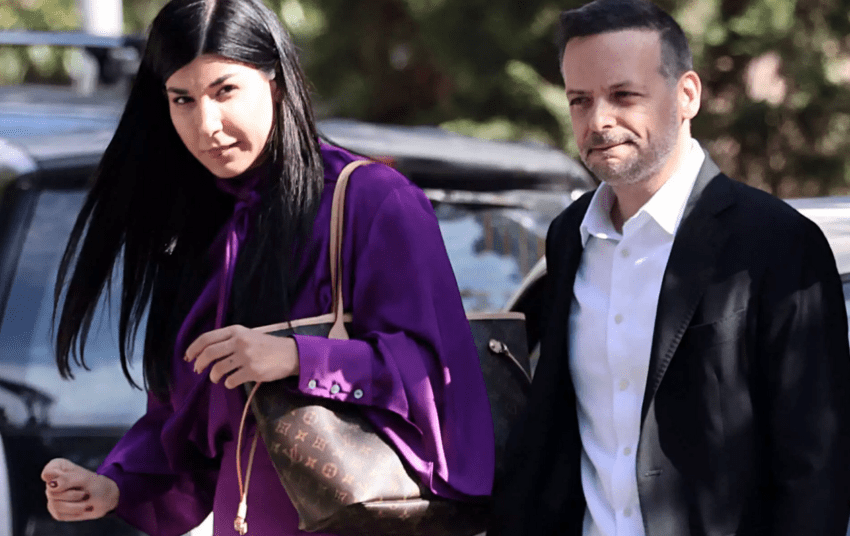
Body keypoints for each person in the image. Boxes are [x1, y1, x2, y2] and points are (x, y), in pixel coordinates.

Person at [39, 0, 494, 534]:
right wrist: (114, 485)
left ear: (275, 82)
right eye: (182, 99)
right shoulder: (199, 225)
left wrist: (299, 357)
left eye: (225, 91)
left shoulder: (373, 202)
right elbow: (187, 429)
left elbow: (436, 381)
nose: (206, 125)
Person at [489, 0, 850, 535]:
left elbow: (815, 471)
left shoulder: (775, 243)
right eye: (580, 100)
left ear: (687, 95)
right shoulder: (571, 237)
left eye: (623, 95)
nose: (598, 121)